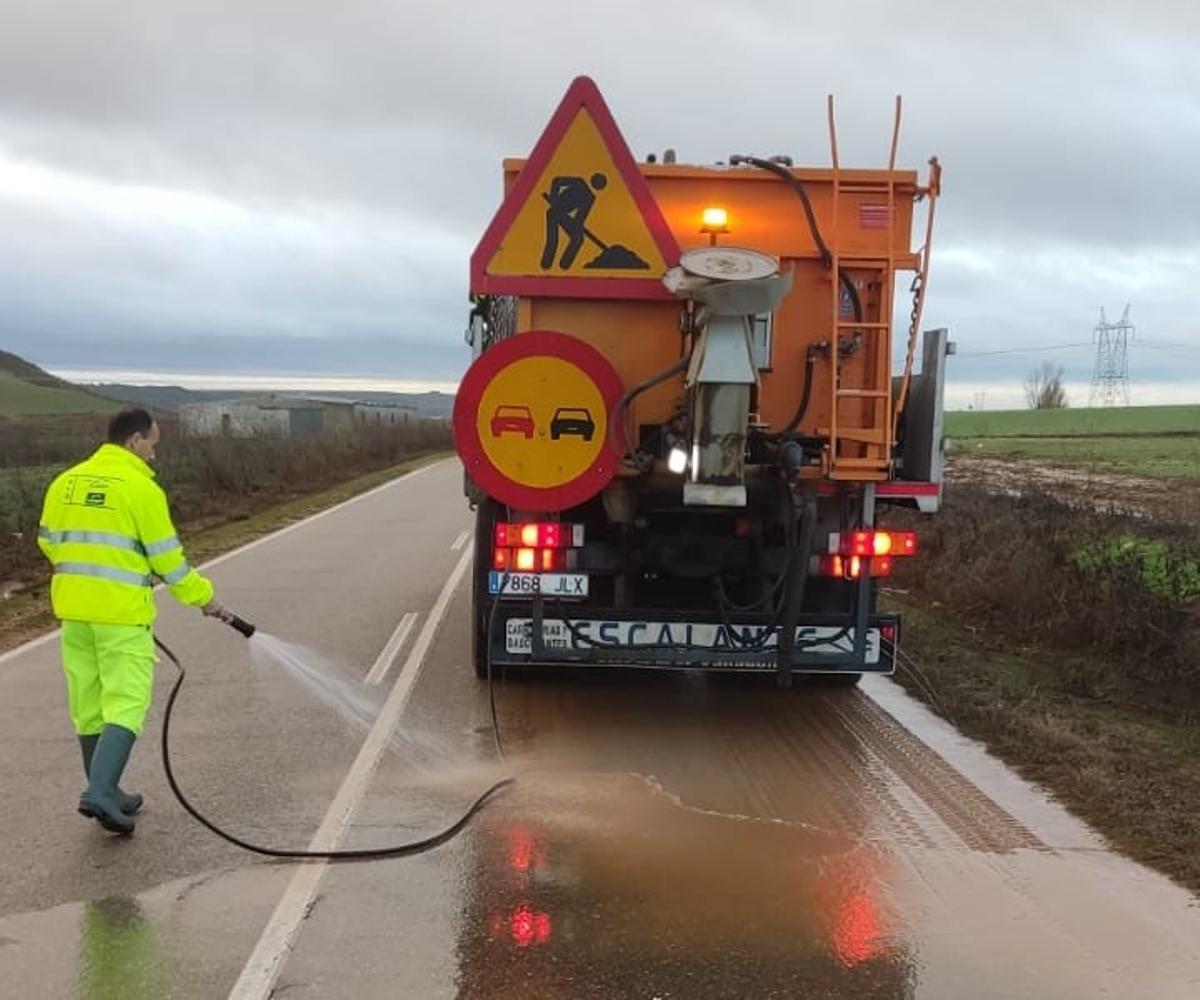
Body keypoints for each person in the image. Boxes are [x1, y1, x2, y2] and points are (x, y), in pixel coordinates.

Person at [37, 407, 226, 835]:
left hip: (74, 612)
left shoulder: (65, 482)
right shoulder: (140, 489)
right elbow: (168, 562)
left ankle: (109, 787)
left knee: (88, 705)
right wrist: (203, 598)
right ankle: (100, 792)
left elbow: (47, 540)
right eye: (152, 445)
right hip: (121, 616)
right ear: (134, 441)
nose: (153, 456)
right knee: (126, 702)